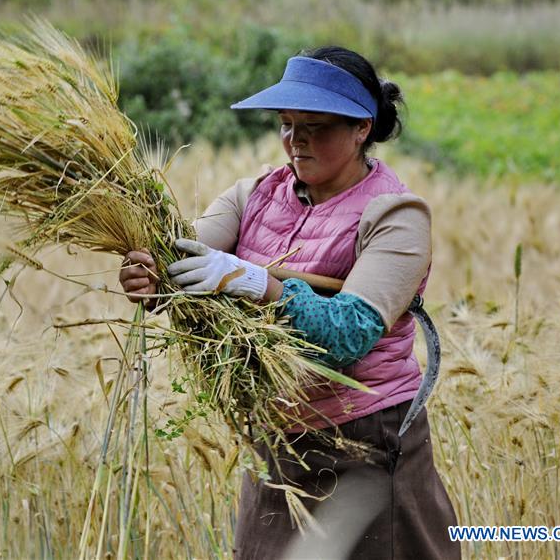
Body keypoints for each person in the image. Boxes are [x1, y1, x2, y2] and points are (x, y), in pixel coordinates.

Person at [119, 46, 459, 559]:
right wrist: (152, 276)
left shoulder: (397, 216)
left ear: (361, 127)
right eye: (286, 124)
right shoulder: (253, 195)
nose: (296, 141)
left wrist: (259, 284)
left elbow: (348, 333)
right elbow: (181, 257)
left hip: (365, 440)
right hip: (277, 442)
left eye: (315, 126)